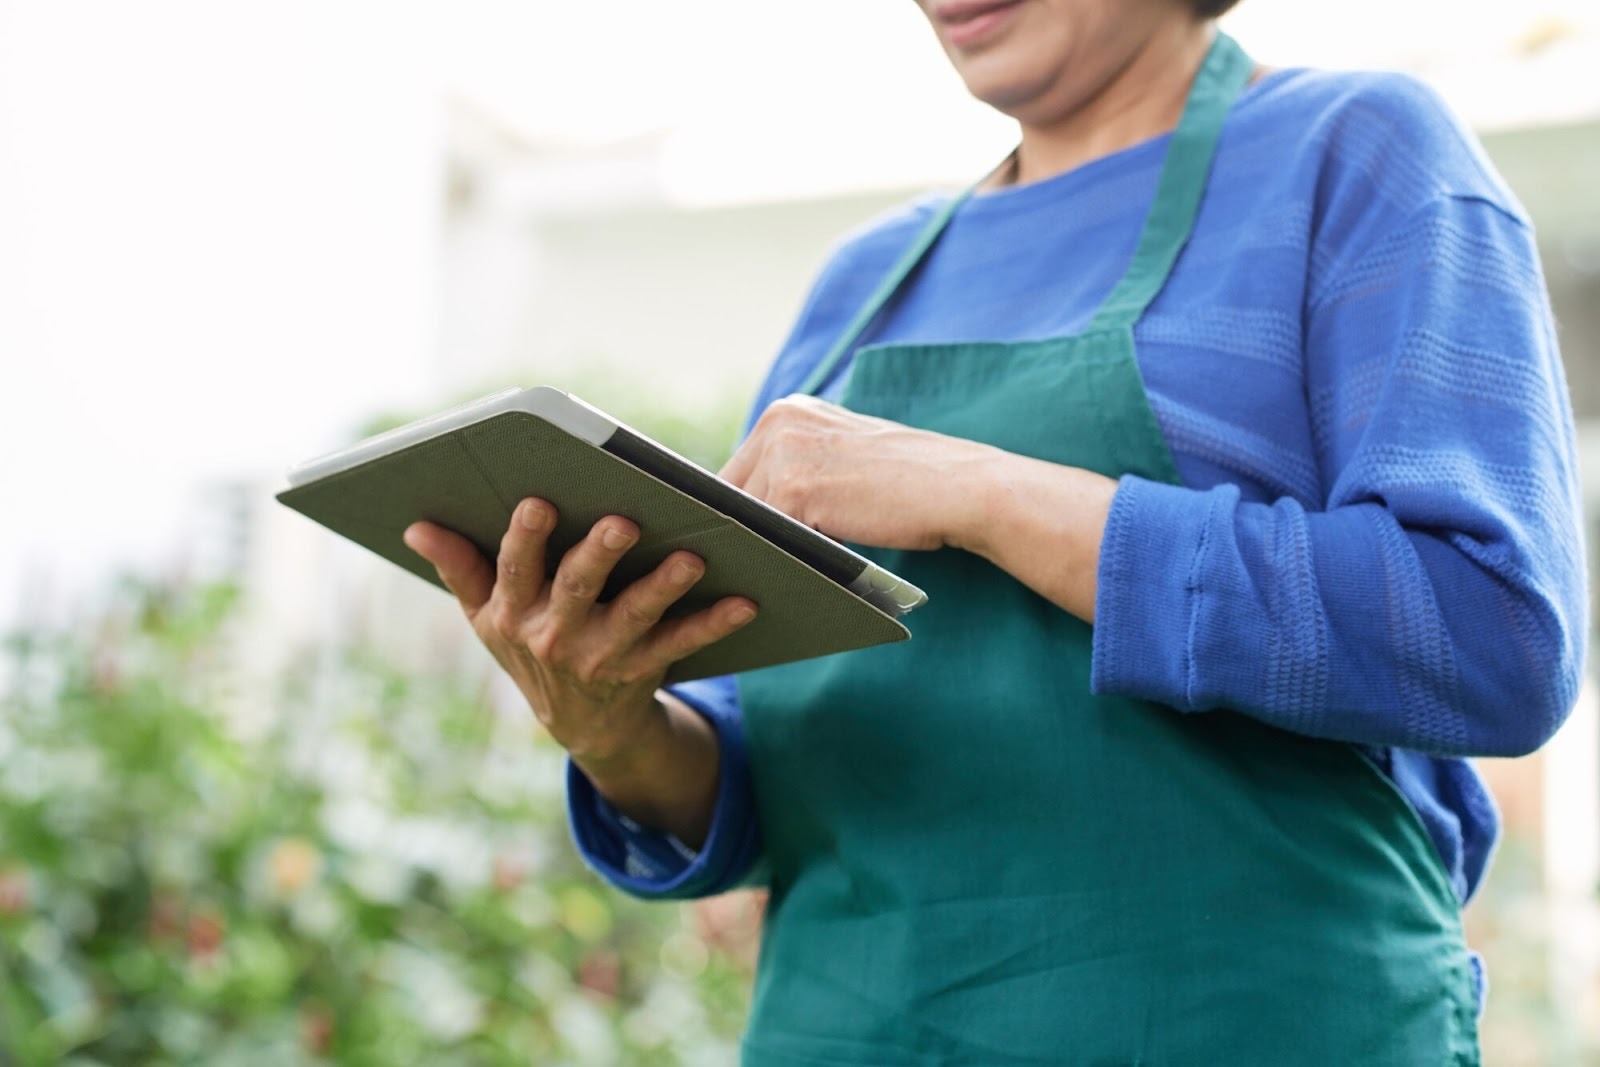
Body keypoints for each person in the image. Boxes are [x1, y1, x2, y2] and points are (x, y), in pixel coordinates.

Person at [404, 0, 1587, 1061]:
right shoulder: (864, 281)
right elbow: (772, 770)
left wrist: (980, 493)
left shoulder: (1355, 155)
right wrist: (610, 725)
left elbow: (1490, 633)